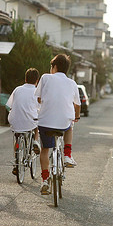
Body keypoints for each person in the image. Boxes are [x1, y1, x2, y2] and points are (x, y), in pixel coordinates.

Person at [35, 54, 81, 195]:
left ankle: (44, 180)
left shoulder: (45, 77)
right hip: (63, 123)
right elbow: (77, 104)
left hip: (45, 122)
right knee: (70, 125)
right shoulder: (72, 83)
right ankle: (67, 154)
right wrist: (77, 116)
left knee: (45, 150)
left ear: (54, 67)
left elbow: (38, 98)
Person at [5, 68, 42, 176]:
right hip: (30, 121)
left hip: (14, 120)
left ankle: (17, 161)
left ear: (25, 78)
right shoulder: (37, 92)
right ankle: (35, 141)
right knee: (36, 124)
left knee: (17, 136)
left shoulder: (17, 89)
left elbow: (9, 105)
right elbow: (40, 108)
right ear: (37, 80)